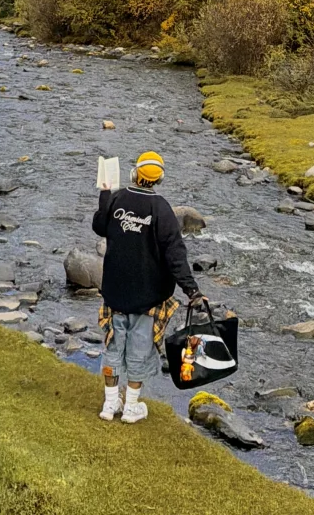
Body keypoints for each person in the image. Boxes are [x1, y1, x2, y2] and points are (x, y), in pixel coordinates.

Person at [92, 149, 202, 423]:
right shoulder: (162, 209)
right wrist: (192, 290)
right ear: (159, 179)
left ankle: (109, 405)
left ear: (135, 173)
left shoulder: (117, 198)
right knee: (140, 351)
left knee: (113, 348)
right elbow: (176, 255)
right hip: (148, 299)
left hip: (115, 294)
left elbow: (99, 226)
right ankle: (130, 407)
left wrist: (105, 193)